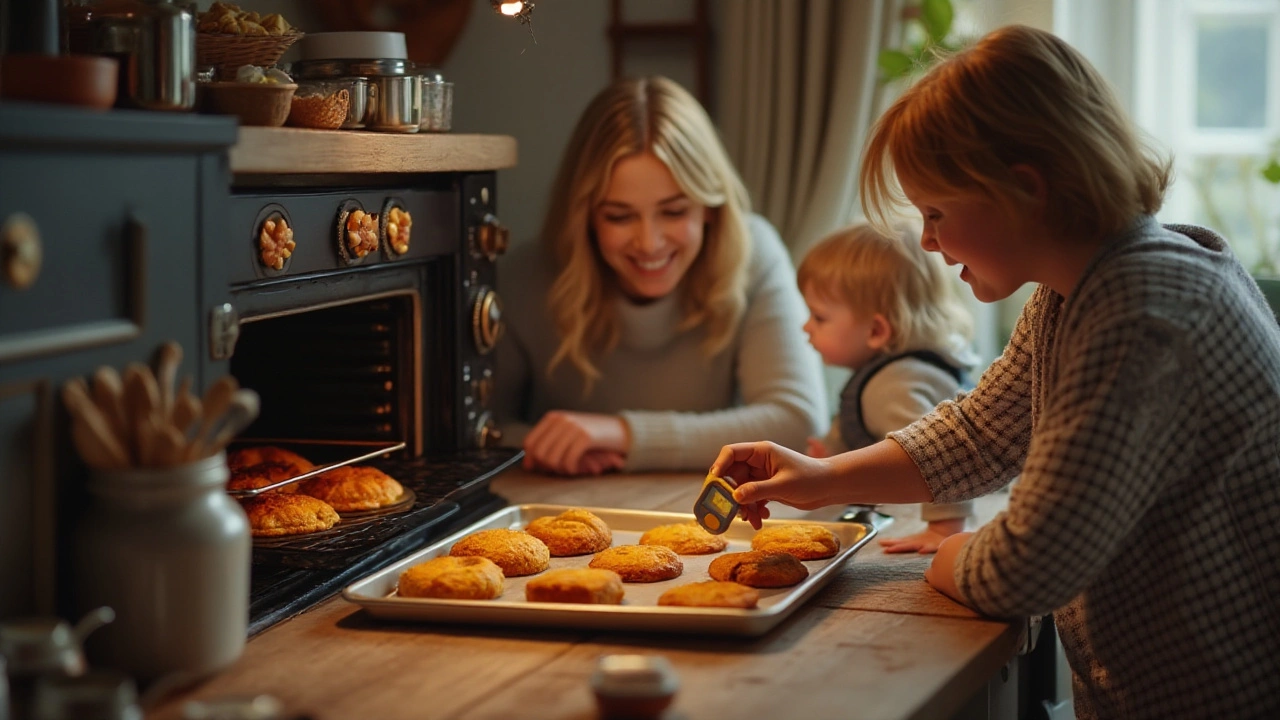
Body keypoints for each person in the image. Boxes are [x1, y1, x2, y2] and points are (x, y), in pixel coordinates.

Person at [711, 24, 1280, 719]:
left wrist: (954, 555)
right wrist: (821, 476)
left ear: (1023, 189)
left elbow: (1023, 570)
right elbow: (981, 434)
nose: (926, 240)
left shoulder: (1145, 313)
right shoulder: (1078, 288)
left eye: (936, 212)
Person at [494, 75, 827, 477]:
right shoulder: (525, 276)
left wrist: (623, 435)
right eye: (619, 216)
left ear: (709, 208)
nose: (649, 243)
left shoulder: (754, 252)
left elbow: (798, 421)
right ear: (586, 217)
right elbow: (472, 432)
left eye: (674, 212)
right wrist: (545, 446)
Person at [798, 223, 980, 553]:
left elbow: (941, 454)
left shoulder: (894, 385)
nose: (805, 326)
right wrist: (832, 459)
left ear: (877, 330)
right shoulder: (884, 375)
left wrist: (945, 528)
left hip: (931, 514)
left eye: (819, 317)